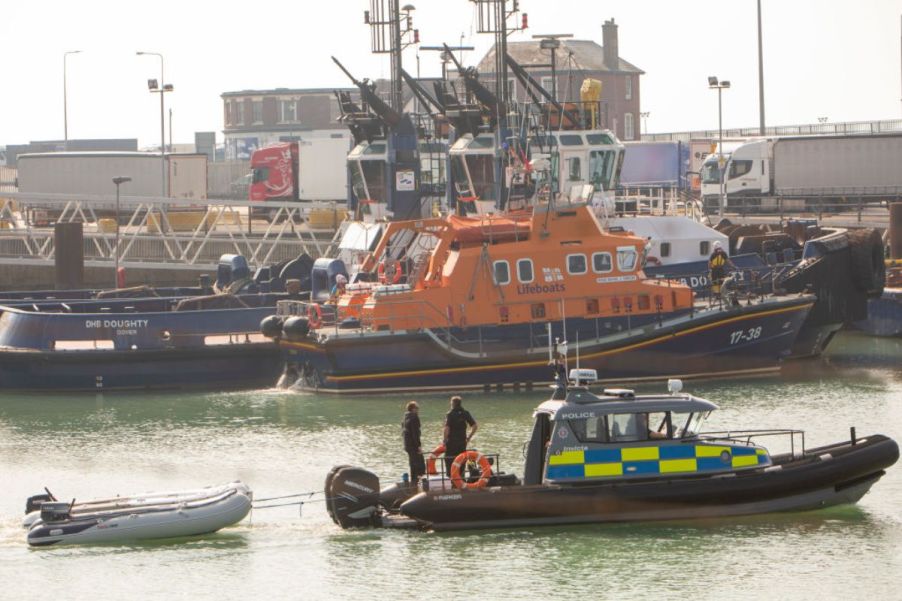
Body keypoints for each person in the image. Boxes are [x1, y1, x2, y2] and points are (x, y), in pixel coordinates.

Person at [443, 396, 477, 477]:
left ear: (453, 404)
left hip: (451, 442)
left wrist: (444, 440)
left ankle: (451, 478)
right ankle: (461, 478)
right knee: (462, 460)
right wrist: (469, 437)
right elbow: (475, 426)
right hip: (462, 442)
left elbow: (447, 428)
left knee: (449, 460)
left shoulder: (450, 414)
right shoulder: (465, 413)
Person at [402, 401, 425, 485]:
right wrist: (418, 446)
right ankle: (419, 481)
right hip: (413, 445)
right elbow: (415, 433)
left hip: (407, 445)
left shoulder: (405, 417)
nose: (418, 410)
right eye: (417, 408)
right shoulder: (414, 417)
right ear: (413, 409)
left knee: (413, 463)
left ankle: (413, 481)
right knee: (420, 463)